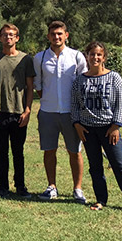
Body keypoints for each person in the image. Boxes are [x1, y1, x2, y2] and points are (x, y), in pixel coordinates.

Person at [71, 42, 122, 216]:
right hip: (88, 130)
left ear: (104, 57)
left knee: (119, 165)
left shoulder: (114, 78)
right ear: (87, 56)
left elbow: (121, 104)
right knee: (95, 167)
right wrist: (77, 124)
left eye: (99, 54)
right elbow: (75, 105)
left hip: (109, 129)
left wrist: (116, 126)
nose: (95, 58)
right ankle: (101, 200)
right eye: (92, 54)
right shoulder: (79, 81)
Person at [34, 21, 87, 203]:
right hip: (48, 112)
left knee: (75, 151)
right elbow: (39, 86)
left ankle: (77, 189)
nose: (56, 37)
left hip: (71, 113)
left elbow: (83, 83)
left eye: (60, 34)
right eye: (53, 34)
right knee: (49, 150)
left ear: (66, 35)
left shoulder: (77, 56)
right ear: (48, 36)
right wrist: (49, 99)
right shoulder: (40, 58)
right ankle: (52, 186)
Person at [0, 24, 35, 198]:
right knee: (2, 152)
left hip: (19, 112)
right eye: (5, 35)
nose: (8, 38)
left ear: (17, 38)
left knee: (18, 152)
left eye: (11, 35)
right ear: (0, 38)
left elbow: (30, 87)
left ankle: (20, 186)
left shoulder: (26, 59)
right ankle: (3, 186)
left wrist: (27, 111)